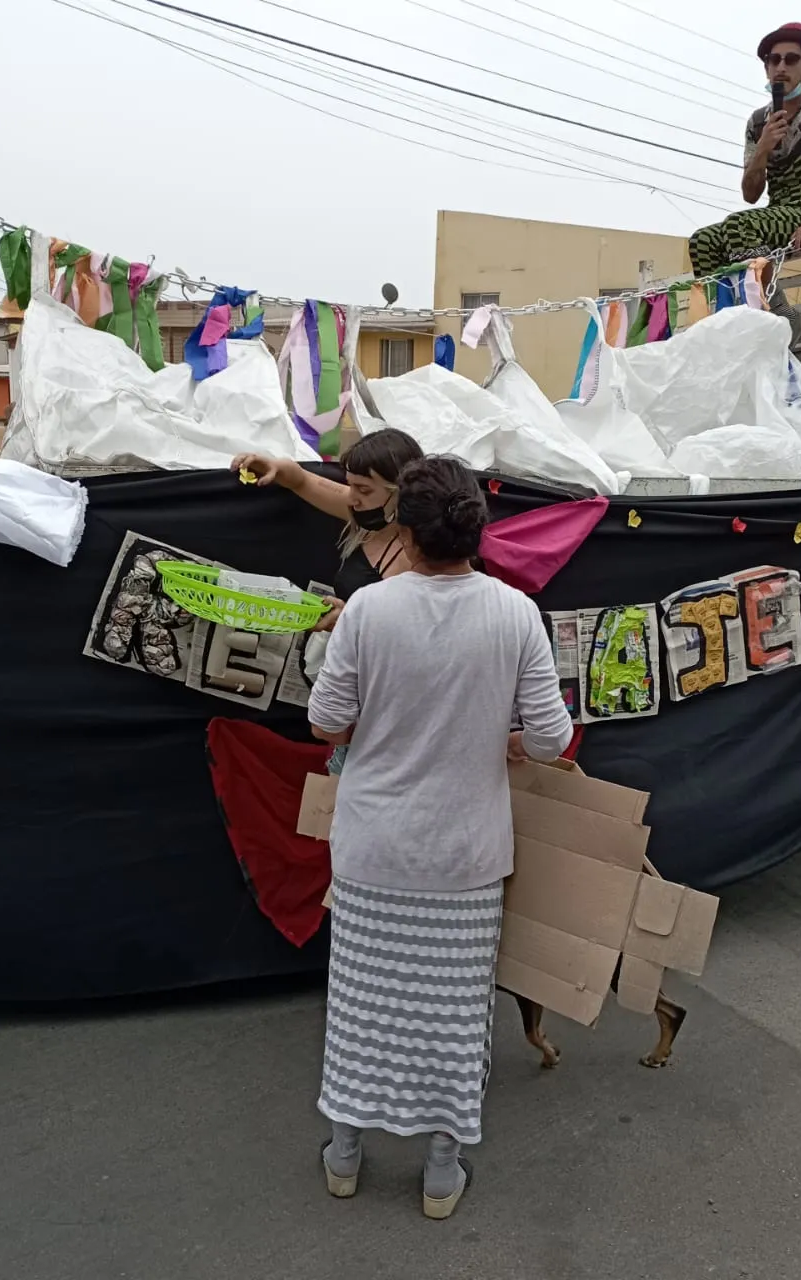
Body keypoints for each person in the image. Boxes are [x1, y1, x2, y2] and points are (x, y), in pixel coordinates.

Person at [306, 455, 573, 1220]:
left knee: (361, 1011)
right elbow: (551, 742)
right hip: (465, 860)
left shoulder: (368, 611)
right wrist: (504, 734)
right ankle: (440, 1174)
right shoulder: (515, 613)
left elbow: (326, 722)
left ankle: (345, 1156)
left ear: (405, 530)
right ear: (473, 531)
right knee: (453, 1022)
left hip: (373, 852)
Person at [231, 427, 425, 774]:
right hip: (349, 709)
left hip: (382, 725)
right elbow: (304, 482)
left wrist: (352, 619)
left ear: (402, 493)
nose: (352, 497)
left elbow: (415, 638)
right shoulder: (370, 519)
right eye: (350, 485)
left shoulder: (419, 556)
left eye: (364, 490)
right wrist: (272, 466)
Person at [687, 23, 801, 341]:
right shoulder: (759, 122)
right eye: (773, 60)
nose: (780, 67)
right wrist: (764, 148)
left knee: (739, 226)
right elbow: (750, 194)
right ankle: (733, 321)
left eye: (791, 59)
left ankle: (780, 314)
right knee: (702, 241)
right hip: (777, 213)